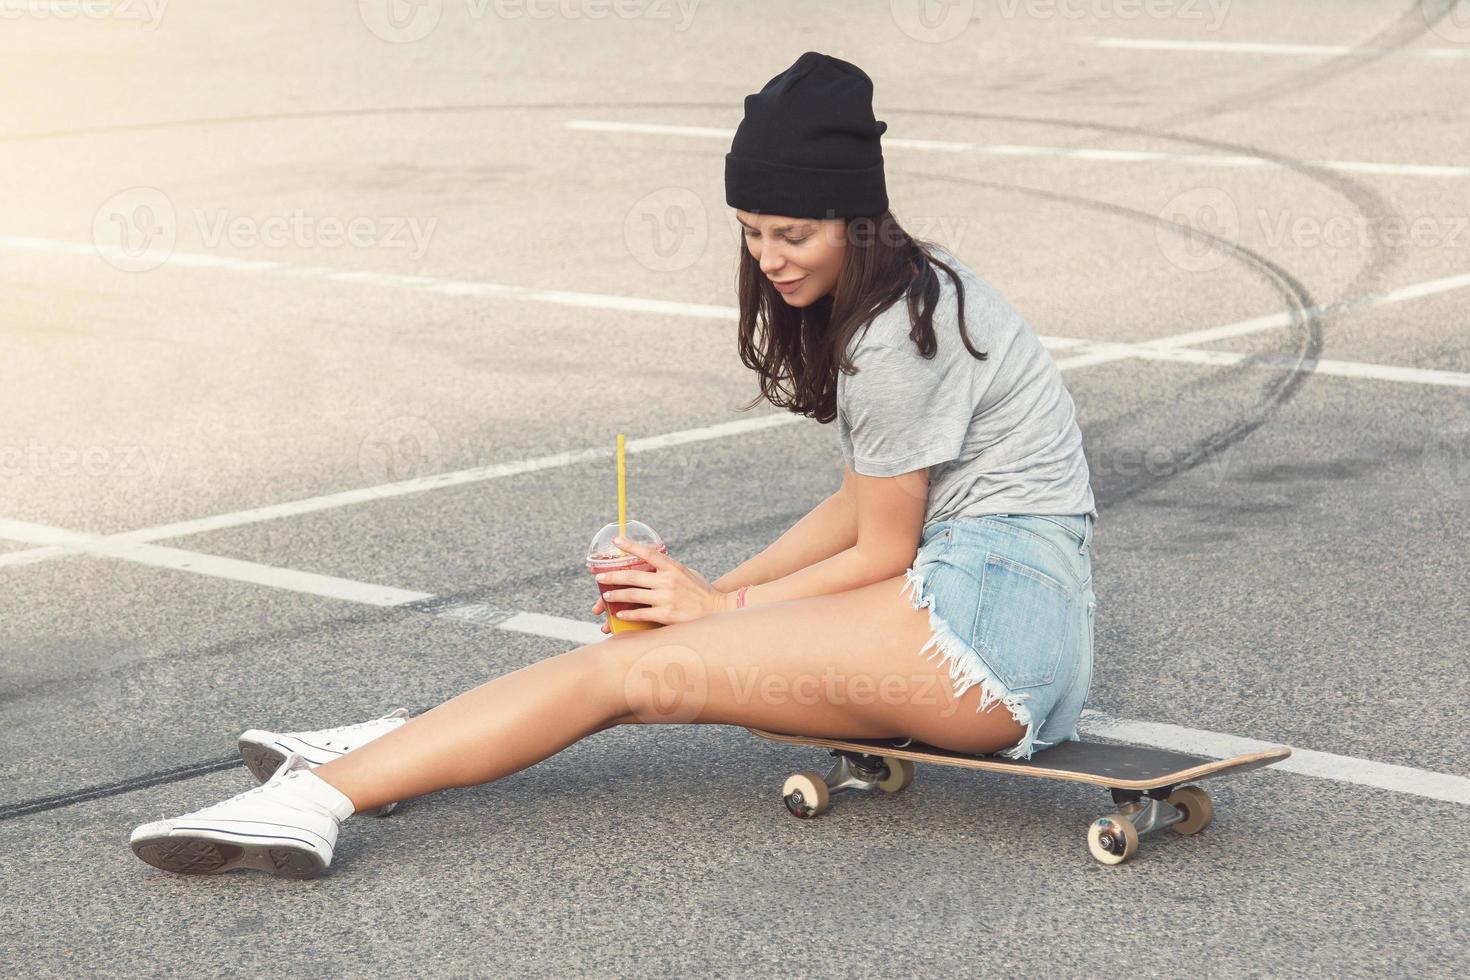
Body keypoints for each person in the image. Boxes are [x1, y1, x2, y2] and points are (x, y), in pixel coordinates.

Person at [129, 51, 1097, 879]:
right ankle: (385, 752)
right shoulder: (918, 293)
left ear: (859, 219)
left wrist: (720, 612)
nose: (771, 257)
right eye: (753, 231)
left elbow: (882, 546)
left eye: (794, 233)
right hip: (990, 611)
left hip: (987, 636)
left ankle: (317, 799)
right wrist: (718, 593)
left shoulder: (897, 337)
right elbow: (854, 503)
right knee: (643, 656)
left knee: (634, 671)